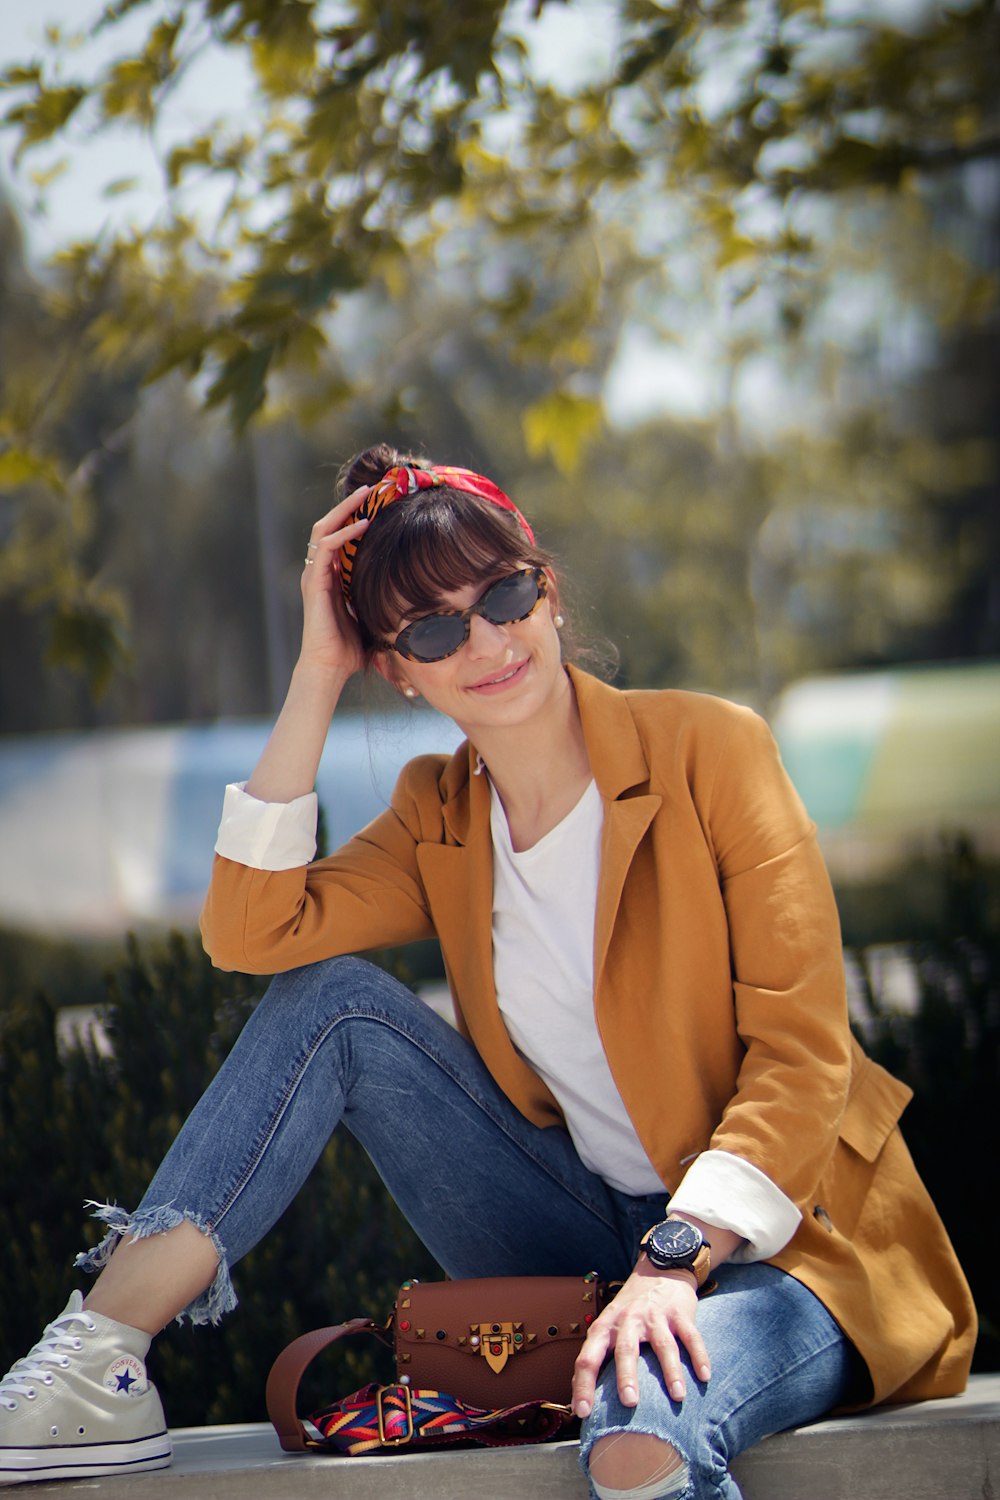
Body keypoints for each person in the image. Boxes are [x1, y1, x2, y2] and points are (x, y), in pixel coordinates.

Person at [0, 445, 976, 1497]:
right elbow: (251, 932)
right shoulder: (439, 817)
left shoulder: (712, 752)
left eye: (505, 593)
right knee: (332, 1005)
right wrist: (315, 672)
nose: (488, 638)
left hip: (787, 1248)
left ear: (546, 592)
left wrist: (670, 1261)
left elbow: (801, 1055)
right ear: (397, 667)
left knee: (639, 1432)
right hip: (585, 1235)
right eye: (432, 626)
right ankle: (97, 1362)